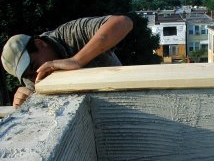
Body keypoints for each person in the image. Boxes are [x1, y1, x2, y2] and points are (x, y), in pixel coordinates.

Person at [1, 15, 133, 108]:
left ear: (40, 43)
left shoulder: (70, 34)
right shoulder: (32, 78)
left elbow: (123, 22)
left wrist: (76, 61)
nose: (36, 75)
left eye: (35, 66)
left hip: (129, 102)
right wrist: (23, 100)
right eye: (28, 75)